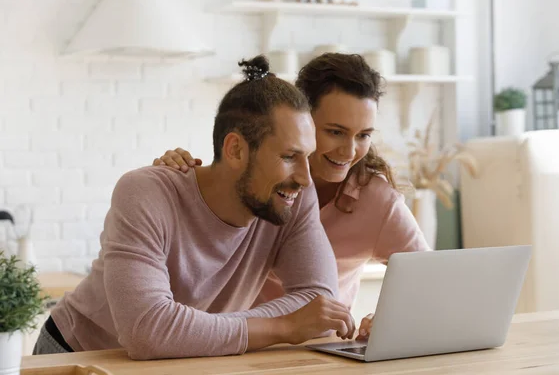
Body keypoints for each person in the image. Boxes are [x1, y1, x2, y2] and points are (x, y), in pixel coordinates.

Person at [33, 56, 356, 360]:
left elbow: (320, 304)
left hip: (184, 359)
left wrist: (189, 330)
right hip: (82, 353)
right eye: (288, 156)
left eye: (306, 156)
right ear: (235, 150)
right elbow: (147, 330)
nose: (304, 177)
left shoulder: (293, 195)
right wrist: (285, 326)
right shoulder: (146, 192)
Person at [153, 53, 431, 341]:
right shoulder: (253, 184)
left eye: (363, 135)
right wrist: (175, 179)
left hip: (314, 349)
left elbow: (430, 278)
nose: (349, 152)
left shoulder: (377, 202)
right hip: (227, 340)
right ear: (301, 120)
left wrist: (391, 317)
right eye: (335, 132)